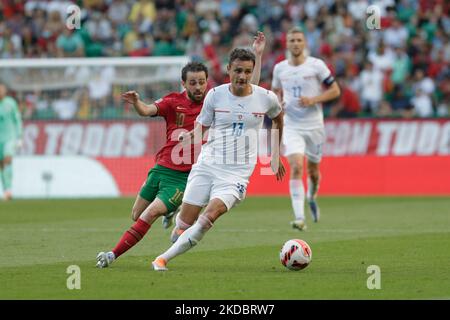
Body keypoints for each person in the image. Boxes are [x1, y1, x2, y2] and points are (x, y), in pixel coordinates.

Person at [96, 32, 267, 268]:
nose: (198, 87)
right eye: (193, 83)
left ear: (208, 81)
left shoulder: (216, 100)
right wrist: (136, 102)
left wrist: (257, 53)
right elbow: (147, 111)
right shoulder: (172, 101)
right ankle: (171, 211)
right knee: (136, 215)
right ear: (184, 84)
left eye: (202, 82)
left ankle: (112, 255)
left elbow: (251, 93)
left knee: (150, 214)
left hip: (187, 175)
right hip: (162, 167)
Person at [151, 47, 285, 271]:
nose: (242, 76)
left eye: (248, 72)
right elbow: (201, 128)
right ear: (228, 69)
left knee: (209, 216)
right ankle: (177, 225)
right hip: (207, 165)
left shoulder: (266, 98)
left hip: (236, 175)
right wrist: (188, 137)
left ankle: (161, 259)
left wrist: (275, 155)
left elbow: (279, 120)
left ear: (253, 72)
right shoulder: (215, 95)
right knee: (182, 227)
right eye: (238, 70)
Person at [271, 27, 340, 231]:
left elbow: (335, 90)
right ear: (287, 44)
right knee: (297, 167)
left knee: (313, 172)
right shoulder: (280, 68)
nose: (295, 44)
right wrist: (278, 103)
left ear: (305, 43)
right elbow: (276, 91)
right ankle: (300, 218)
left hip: (314, 126)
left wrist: (314, 99)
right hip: (292, 125)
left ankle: (311, 196)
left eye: (299, 40)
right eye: (291, 40)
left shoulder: (317, 65)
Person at [0, 83, 23, 201]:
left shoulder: (10, 103)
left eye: (2, 89)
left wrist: (19, 137)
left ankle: (8, 190)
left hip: (9, 138)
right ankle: (5, 190)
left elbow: (17, 119)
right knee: (1, 165)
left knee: (7, 160)